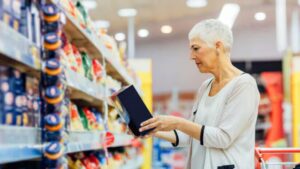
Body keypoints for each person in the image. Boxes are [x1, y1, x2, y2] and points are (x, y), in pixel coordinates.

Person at [139, 19, 260, 169]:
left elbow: (223, 138)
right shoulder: (205, 87)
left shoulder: (244, 85)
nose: (191, 56)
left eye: (196, 48)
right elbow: (191, 135)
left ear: (218, 46)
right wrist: (153, 129)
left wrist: (178, 122)